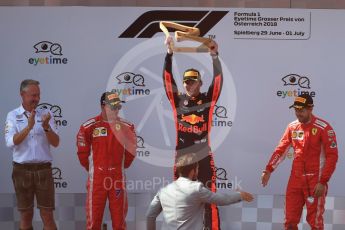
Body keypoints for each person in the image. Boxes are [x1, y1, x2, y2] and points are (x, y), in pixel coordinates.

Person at [162, 36, 223, 229]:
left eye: (193, 81)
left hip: (203, 155)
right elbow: (167, 79)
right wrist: (169, 54)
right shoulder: (177, 100)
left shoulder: (208, 100)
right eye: (186, 81)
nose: (189, 84)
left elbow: (219, 82)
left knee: (209, 201)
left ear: (200, 83)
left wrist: (214, 56)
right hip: (182, 158)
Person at [261, 94, 338, 230]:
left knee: (315, 222)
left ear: (310, 109)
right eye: (296, 110)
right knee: (290, 221)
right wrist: (268, 170)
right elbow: (280, 150)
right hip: (295, 180)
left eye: (301, 110)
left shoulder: (324, 128)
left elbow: (332, 156)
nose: (298, 113)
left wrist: (323, 181)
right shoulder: (292, 127)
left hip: (316, 180)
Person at [76, 92, 137, 230]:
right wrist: (93, 169)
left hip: (117, 179)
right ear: (102, 106)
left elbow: (131, 150)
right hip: (97, 179)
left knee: (119, 222)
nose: (116, 110)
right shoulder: (89, 126)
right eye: (113, 107)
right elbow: (82, 152)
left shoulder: (126, 126)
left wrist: (121, 167)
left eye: (118, 107)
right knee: (93, 222)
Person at [5, 79, 59, 230]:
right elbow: (10, 142)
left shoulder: (46, 114)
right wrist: (28, 127)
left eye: (38, 95)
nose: (37, 99)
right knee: (26, 215)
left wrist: (46, 127)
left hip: (44, 170)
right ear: (22, 94)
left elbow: (56, 143)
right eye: (33, 95)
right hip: (21, 171)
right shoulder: (12, 115)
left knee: (47, 215)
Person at [146, 153, 254, 230]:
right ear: (193, 171)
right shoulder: (196, 189)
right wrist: (240, 195)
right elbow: (222, 200)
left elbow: (150, 216)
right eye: (197, 169)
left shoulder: (163, 191)